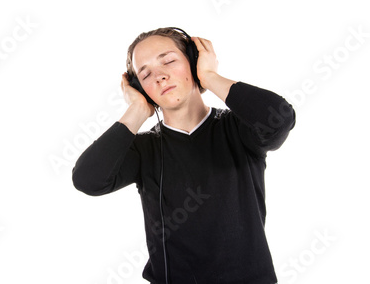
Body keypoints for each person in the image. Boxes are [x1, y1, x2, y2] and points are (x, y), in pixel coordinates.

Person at [72, 27, 295, 284]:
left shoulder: (238, 129)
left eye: (168, 61)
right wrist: (137, 110)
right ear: (139, 87)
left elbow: (279, 118)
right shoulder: (144, 150)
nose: (160, 76)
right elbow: (87, 179)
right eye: (145, 74)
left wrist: (209, 77)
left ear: (193, 61)